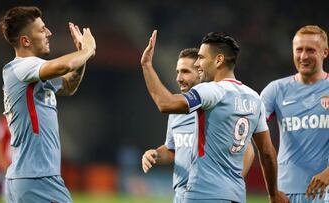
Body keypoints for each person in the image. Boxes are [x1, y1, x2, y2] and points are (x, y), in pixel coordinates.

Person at [140, 30, 289, 203]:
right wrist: (273, 193)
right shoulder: (254, 98)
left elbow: (165, 103)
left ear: (218, 60)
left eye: (202, 58)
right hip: (235, 195)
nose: (198, 63)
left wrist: (146, 66)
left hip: (202, 193)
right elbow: (268, 153)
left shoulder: (212, 90)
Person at [0, 6, 96, 203]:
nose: (49, 33)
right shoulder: (21, 67)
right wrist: (88, 50)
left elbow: (69, 85)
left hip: (28, 178)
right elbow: (64, 66)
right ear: (25, 41)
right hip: (38, 179)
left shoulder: (34, 75)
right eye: (42, 29)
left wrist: (81, 58)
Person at [141, 48, 255, 203]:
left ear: (201, 72)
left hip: (210, 195)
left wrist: (230, 184)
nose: (178, 78)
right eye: (178, 72)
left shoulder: (218, 107)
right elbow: (172, 149)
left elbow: (248, 150)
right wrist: (155, 154)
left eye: (185, 72)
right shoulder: (176, 111)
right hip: (181, 196)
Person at [261, 25, 329, 203]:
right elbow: (250, 124)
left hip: (326, 189)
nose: (303, 56)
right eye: (299, 50)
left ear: (325, 52)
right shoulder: (276, 90)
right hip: (286, 191)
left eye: (311, 50)